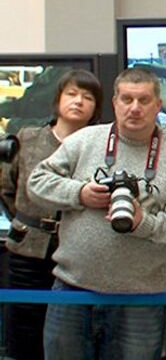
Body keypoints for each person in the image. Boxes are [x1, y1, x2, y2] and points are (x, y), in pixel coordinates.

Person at [27, 67, 166, 360]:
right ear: (115, 103)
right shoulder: (84, 140)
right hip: (73, 289)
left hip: (141, 300)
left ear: (158, 105)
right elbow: (36, 182)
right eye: (127, 99)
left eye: (144, 100)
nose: (134, 108)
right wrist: (79, 193)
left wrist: (146, 223)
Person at [1, 69, 102, 360]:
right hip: (27, 248)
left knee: (72, 336)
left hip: (79, 252)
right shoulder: (28, 138)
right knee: (23, 330)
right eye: (71, 94)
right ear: (57, 100)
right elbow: (8, 187)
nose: (78, 101)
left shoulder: (99, 146)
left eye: (87, 97)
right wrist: (28, 220)